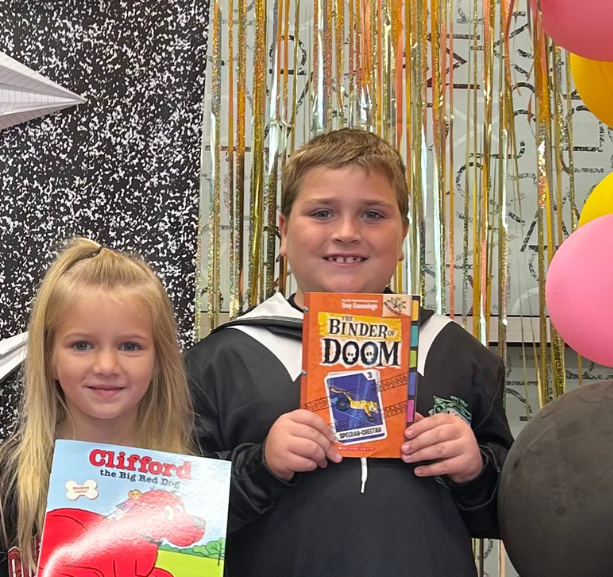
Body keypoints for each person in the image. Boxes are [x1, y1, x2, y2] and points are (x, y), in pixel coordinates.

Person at [185, 128, 512, 576]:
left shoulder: (456, 352)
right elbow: (179, 522)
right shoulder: (219, 360)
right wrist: (260, 466)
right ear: (283, 232)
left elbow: (504, 515)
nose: (346, 233)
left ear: (403, 238)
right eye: (321, 212)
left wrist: (475, 470)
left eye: (373, 214)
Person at [0, 240, 196, 577]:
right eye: (82, 345)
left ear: (160, 360)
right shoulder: (12, 475)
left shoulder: (188, 476)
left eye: (130, 346)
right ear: (49, 358)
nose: (107, 365)